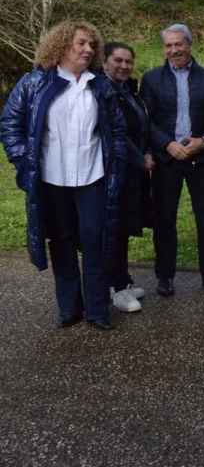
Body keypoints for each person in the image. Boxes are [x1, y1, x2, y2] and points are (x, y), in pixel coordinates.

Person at [1, 21, 126, 330]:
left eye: (91, 45)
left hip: (92, 178)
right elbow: (10, 123)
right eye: (81, 43)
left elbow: (118, 130)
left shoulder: (101, 85)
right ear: (61, 45)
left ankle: (98, 311)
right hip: (51, 180)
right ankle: (69, 309)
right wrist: (22, 160)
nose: (88, 50)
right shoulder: (34, 83)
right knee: (62, 243)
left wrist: (116, 166)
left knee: (95, 242)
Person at [140, 23, 204, 296]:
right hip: (167, 159)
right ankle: (165, 276)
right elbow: (146, 120)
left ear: (189, 44)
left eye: (179, 44)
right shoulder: (151, 79)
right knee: (164, 219)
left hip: (202, 159)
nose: (174, 50)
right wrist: (167, 144)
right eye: (169, 45)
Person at [104, 42, 154, 313]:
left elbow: (140, 127)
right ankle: (116, 289)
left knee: (122, 228)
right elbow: (116, 133)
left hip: (132, 171)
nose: (124, 66)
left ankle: (122, 279)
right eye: (118, 60)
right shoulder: (104, 91)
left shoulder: (127, 90)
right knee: (113, 229)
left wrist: (146, 151)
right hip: (114, 171)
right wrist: (141, 157)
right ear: (105, 62)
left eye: (128, 61)